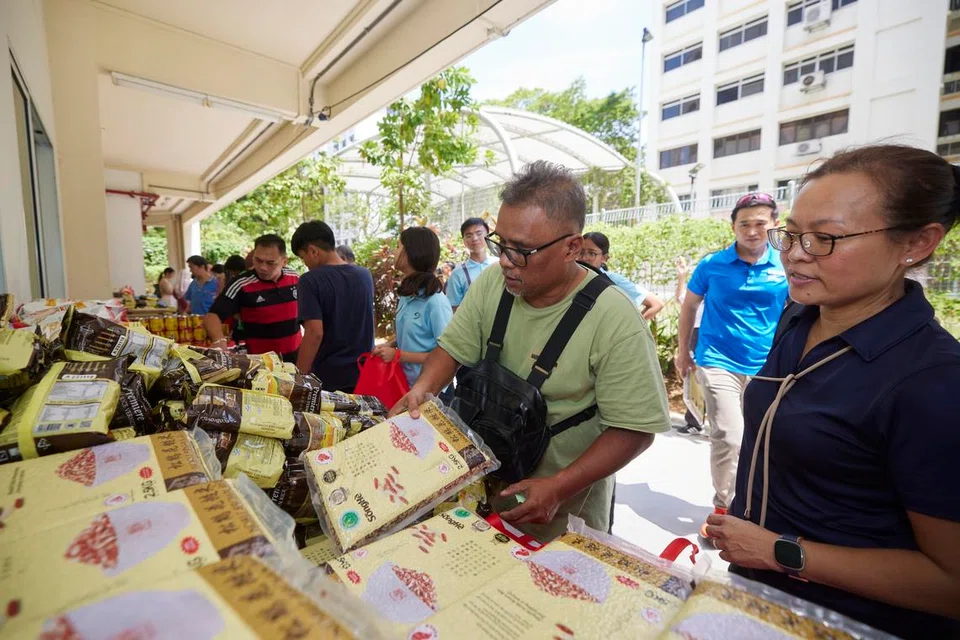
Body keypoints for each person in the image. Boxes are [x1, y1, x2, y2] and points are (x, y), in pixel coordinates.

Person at [704, 146, 960, 638]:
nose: (796, 253)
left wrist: (780, 551)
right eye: (793, 234)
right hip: (755, 602)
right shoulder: (800, 316)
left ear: (918, 243)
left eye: (825, 238)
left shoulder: (934, 382)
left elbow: (950, 583)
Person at [389, 161, 671, 542]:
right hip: (479, 495)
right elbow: (451, 349)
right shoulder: (492, 283)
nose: (504, 259)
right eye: (500, 243)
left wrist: (558, 486)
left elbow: (635, 429)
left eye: (522, 250)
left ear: (573, 247)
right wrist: (422, 390)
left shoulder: (615, 320)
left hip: (562, 515)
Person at [675, 192, 788, 540]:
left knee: (765, 440)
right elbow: (689, 307)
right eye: (744, 224)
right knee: (729, 434)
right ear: (733, 227)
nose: (752, 231)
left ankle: (759, 506)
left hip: (768, 367)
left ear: (772, 226)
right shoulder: (712, 265)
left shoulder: (786, 265)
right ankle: (725, 507)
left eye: (760, 224)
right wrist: (683, 352)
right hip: (717, 360)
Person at [292, 221, 375, 392]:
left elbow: (314, 333)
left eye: (303, 257)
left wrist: (299, 377)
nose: (305, 263)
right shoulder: (364, 275)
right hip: (364, 373)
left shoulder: (309, 280)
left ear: (313, 251)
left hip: (329, 378)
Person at [371, 227, 453, 388]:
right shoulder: (407, 295)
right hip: (405, 385)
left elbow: (446, 356)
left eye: (398, 246)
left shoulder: (435, 301)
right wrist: (391, 344)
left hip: (431, 390)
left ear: (412, 252)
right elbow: (415, 334)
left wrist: (398, 355)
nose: (394, 251)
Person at [204, 234, 301, 362]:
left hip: (296, 357)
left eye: (270, 263)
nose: (262, 267)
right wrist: (219, 341)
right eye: (258, 260)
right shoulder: (241, 284)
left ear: (284, 261)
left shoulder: (295, 277)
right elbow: (212, 316)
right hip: (260, 362)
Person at [580, 231, 665, 320]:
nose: (584, 258)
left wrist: (631, 328)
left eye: (592, 253)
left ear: (604, 258)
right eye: (580, 252)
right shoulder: (573, 279)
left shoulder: (613, 280)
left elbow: (656, 304)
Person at [674, 255, 706, 436]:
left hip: (710, 334)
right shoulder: (699, 289)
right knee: (693, 377)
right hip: (694, 333)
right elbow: (681, 299)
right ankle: (694, 421)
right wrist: (681, 277)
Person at [445, 217, 498, 312]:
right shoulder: (457, 274)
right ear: (464, 241)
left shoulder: (499, 264)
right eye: (469, 235)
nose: (475, 238)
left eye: (479, 233)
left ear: (488, 235)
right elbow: (454, 308)